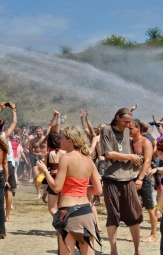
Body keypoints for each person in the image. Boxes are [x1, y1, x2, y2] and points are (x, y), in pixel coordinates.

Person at [38, 126, 102, 254]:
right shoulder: (89, 160)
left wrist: (45, 170)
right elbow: (98, 190)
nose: (59, 140)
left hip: (69, 213)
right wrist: (81, 187)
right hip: (86, 212)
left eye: (62, 137)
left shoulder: (66, 158)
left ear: (70, 141)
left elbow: (56, 187)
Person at [100, 108, 143, 255]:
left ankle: (137, 249)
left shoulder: (127, 131)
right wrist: (130, 157)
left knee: (134, 214)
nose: (128, 125)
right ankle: (113, 250)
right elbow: (109, 153)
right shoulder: (106, 130)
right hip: (111, 178)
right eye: (125, 121)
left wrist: (136, 159)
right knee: (113, 215)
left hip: (128, 178)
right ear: (117, 117)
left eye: (130, 122)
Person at [129, 119, 157, 243]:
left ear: (138, 128)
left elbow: (147, 162)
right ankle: (138, 232)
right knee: (135, 206)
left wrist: (140, 178)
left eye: (131, 128)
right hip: (132, 177)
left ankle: (153, 234)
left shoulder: (145, 142)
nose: (129, 131)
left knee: (150, 207)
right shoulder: (130, 142)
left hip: (145, 178)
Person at [0, 101, 17, 222]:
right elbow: (15, 122)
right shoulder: (6, 134)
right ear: (3, 126)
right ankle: (7, 216)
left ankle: (0, 215)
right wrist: (13, 109)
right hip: (8, 163)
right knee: (9, 190)